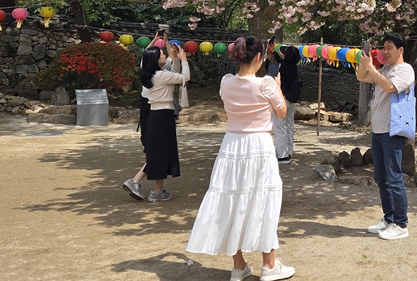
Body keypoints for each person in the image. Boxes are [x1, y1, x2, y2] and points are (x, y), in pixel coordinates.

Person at [186, 35, 295, 281]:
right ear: (259, 57)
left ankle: (238, 265)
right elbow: (281, 112)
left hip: (232, 145)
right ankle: (269, 264)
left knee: (232, 200)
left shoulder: (226, 82)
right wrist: (278, 87)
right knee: (264, 200)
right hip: (259, 145)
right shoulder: (266, 84)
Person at [356, 32, 415, 241]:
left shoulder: (405, 70)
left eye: (389, 47)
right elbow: (361, 77)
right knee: (381, 178)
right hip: (378, 130)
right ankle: (389, 218)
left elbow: (390, 87)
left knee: (394, 177)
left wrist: (372, 68)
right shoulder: (385, 69)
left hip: (392, 131)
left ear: (400, 50)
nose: (385, 51)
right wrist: (364, 61)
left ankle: (401, 224)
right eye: (383, 47)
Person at [122, 32, 175, 200]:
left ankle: (151, 187)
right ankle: (141, 183)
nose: (164, 54)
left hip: (148, 107)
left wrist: (159, 40)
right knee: (159, 149)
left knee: (157, 148)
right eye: (161, 54)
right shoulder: (161, 72)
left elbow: (153, 54)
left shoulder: (150, 69)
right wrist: (164, 42)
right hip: (157, 109)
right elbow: (172, 60)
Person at [140, 41, 189, 202]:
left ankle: (157, 189)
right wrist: (184, 60)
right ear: (155, 60)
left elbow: (173, 73)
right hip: (163, 115)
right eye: (162, 54)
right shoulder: (161, 76)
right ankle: (156, 191)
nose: (165, 55)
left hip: (156, 114)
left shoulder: (154, 75)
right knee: (161, 152)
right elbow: (184, 77)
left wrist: (175, 59)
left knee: (160, 151)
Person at [272, 45, 302, 165]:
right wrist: (274, 53)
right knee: (289, 126)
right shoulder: (294, 67)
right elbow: (281, 60)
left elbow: (279, 62)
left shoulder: (282, 67)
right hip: (291, 100)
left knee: (280, 127)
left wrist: (272, 54)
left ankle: (282, 156)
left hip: (281, 99)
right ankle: (289, 151)